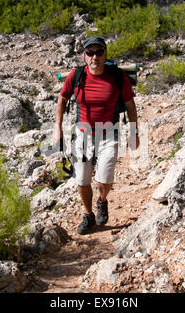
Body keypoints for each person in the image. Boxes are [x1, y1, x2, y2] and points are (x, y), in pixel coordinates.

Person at [52, 36, 140, 235]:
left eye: (99, 52)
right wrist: (57, 128)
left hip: (109, 132)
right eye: (90, 53)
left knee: (104, 177)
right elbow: (62, 99)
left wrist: (134, 132)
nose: (95, 57)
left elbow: (130, 105)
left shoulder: (117, 77)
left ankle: (102, 201)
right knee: (82, 179)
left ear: (105, 54)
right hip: (83, 134)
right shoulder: (76, 75)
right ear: (84, 55)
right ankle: (88, 214)